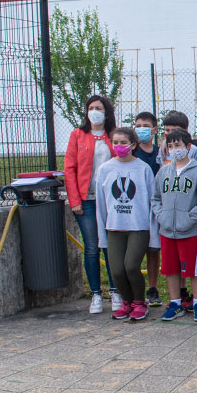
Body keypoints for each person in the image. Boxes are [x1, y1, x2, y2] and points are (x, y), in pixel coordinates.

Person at [64, 95, 119, 314]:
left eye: (99, 108)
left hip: (110, 200)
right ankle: (96, 294)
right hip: (86, 201)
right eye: (91, 108)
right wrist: (75, 200)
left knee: (110, 246)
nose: (94, 111)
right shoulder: (77, 135)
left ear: (107, 112)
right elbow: (69, 169)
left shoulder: (114, 135)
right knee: (91, 246)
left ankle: (115, 290)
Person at [96, 127, 157, 322]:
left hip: (138, 227)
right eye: (115, 142)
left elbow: (152, 200)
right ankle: (127, 303)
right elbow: (101, 203)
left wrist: (153, 232)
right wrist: (102, 232)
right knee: (116, 271)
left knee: (131, 266)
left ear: (133, 144)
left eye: (123, 142)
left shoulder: (143, 169)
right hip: (115, 227)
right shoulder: (105, 169)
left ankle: (139, 302)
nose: (119, 146)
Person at [152, 128, 197, 323]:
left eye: (177, 145)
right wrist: (162, 217)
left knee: (194, 269)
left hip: (191, 230)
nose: (173, 149)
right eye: (170, 146)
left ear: (187, 146)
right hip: (167, 230)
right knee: (171, 268)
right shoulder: (163, 172)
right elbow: (155, 198)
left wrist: (189, 218)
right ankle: (175, 303)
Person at [133, 112, 163, 307]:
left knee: (153, 249)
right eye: (138, 125)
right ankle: (134, 291)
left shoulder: (160, 153)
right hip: (136, 206)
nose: (141, 129)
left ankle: (153, 288)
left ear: (154, 130)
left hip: (157, 206)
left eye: (145, 125)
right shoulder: (132, 152)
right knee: (135, 251)